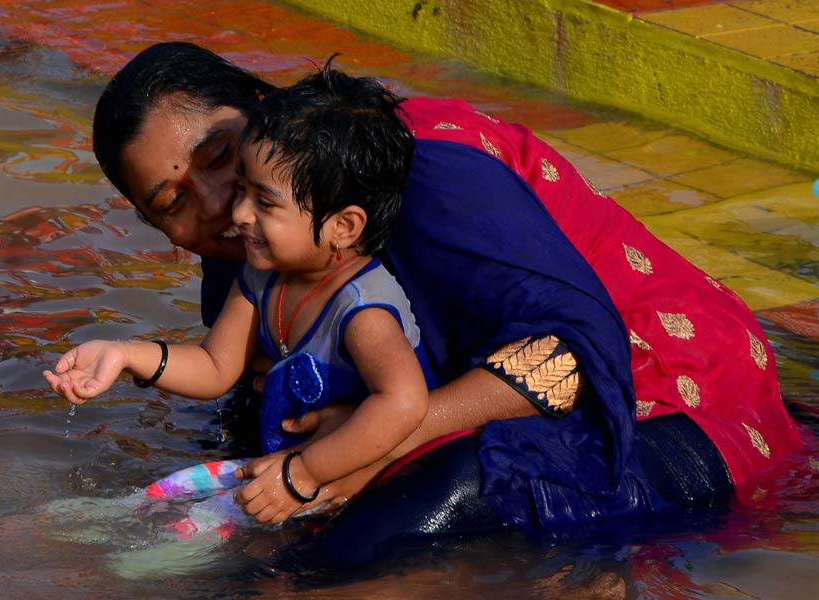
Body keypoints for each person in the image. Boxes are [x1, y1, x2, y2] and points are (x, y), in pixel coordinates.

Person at [85, 41, 804, 564]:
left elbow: (575, 354)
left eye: (217, 158)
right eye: (172, 202)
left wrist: (377, 441)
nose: (215, 206)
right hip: (442, 401)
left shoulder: (417, 170)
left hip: (669, 386)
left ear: (268, 114)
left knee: (380, 537)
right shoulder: (249, 250)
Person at [45, 65, 430, 525]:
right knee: (151, 517)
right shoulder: (262, 278)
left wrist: (303, 473)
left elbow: (403, 402)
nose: (239, 212)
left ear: (342, 227)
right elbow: (214, 368)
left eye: (264, 203)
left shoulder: (361, 309)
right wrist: (124, 354)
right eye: (243, 190)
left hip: (370, 484)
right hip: (290, 472)